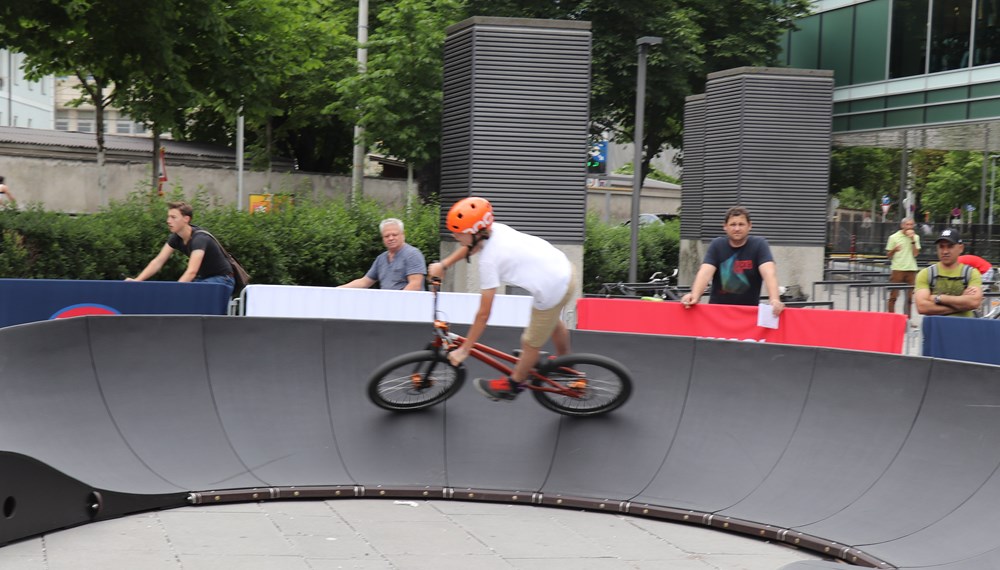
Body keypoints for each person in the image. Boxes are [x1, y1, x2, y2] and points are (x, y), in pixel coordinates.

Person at [427, 197, 573, 402]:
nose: (454, 235)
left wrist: (465, 349)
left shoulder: (489, 260)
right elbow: (471, 247)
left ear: (476, 233)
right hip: (563, 269)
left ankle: (514, 384)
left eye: (459, 232)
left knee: (530, 342)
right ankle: (565, 363)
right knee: (552, 320)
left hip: (553, 287)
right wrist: (445, 265)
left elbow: (484, 313)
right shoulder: (493, 230)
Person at [679, 206, 784, 316]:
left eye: (741, 224)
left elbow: (769, 273)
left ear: (749, 226)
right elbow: (705, 273)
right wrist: (694, 296)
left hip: (748, 314)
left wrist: (774, 300)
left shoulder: (759, 245)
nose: (737, 228)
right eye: (733, 224)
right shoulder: (717, 245)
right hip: (717, 313)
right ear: (725, 227)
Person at [126, 201, 235, 297]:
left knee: (187, 295)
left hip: (223, 280)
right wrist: (137, 281)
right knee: (187, 294)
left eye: (173, 217)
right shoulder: (176, 237)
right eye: (168, 217)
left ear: (186, 219)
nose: (168, 221)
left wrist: (176, 291)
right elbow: (158, 261)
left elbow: (192, 271)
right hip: (205, 280)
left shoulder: (199, 239)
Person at [339, 218, 426, 291]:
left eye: (394, 235)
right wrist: (338, 290)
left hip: (408, 307)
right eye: (387, 236)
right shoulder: (381, 259)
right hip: (387, 306)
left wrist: (396, 303)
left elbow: (415, 285)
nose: (391, 238)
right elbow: (364, 282)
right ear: (382, 238)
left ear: (403, 235)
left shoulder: (412, 254)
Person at [914, 228, 983, 318]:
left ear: (960, 248)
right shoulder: (926, 274)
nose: (945, 251)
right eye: (941, 246)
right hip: (935, 330)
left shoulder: (971, 273)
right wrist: (962, 304)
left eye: (950, 246)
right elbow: (922, 307)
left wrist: (938, 298)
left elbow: (974, 302)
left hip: (964, 329)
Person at [885, 217, 920, 318]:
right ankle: (891, 318)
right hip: (898, 269)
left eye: (911, 225)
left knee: (909, 298)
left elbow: (916, 254)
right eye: (907, 225)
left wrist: (912, 240)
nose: (909, 227)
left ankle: (907, 320)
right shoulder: (894, 237)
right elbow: (888, 255)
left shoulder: (916, 237)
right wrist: (894, 250)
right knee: (893, 296)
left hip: (911, 269)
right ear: (902, 225)